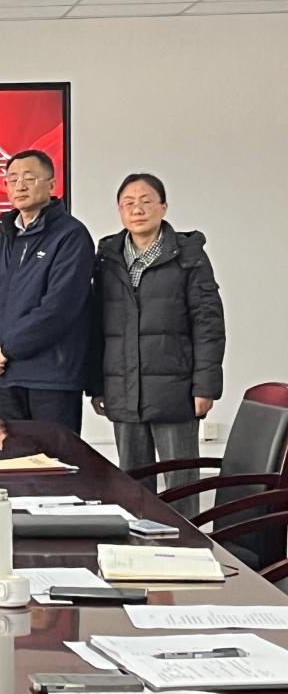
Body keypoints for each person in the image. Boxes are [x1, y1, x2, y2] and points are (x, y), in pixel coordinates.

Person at [88, 174, 225, 518]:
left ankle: (187, 544)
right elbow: (95, 327)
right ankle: (140, 547)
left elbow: (208, 323)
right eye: (128, 203)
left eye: (146, 201)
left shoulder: (188, 256)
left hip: (176, 390)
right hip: (124, 389)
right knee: (132, 484)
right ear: (119, 211)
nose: (137, 210)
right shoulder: (108, 258)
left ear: (163, 207)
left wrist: (205, 386)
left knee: (181, 482)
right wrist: (97, 384)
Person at [0, 149, 94, 434]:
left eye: (29, 178)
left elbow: (58, 309)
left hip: (51, 376)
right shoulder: (4, 238)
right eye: (12, 179)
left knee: (54, 458)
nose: (20, 186)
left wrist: (6, 349)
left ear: (52, 184)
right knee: (14, 457)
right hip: (5, 375)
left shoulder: (71, 235)